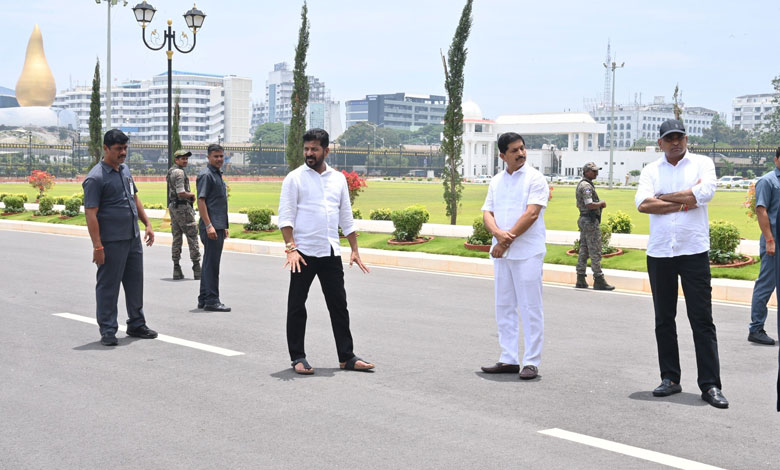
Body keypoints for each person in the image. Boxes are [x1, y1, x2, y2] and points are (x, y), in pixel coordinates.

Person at [635, 119, 728, 408]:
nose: (675, 142)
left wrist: (664, 197)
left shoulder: (702, 164)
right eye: (669, 138)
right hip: (661, 253)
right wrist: (687, 200)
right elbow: (643, 204)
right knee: (664, 319)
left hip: (693, 251)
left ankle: (710, 385)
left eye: (680, 137)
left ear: (686, 139)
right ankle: (670, 379)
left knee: (702, 320)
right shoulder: (651, 169)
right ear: (660, 142)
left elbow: (706, 193)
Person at [278, 128, 374, 375]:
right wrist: (291, 249)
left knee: (339, 306)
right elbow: (286, 218)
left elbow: (346, 217)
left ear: (326, 150)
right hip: (303, 254)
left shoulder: (338, 179)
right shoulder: (294, 178)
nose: (309, 154)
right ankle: (297, 357)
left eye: (314, 149)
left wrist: (354, 249)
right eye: (306, 149)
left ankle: (347, 357)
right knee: (297, 306)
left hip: (330, 251)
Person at [479, 132, 548, 380]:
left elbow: (531, 215)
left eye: (522, 148)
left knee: (530, 307)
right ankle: (508, 358)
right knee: (504, 305)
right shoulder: (496, 181)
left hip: (527, 252)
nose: (520, 153)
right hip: (502, 254)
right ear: (502, 155)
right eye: (514, 150)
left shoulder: (535, 178)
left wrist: (504, 240)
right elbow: (487, 212)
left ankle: (531, 361)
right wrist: (498, 234)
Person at [82, 129, 158, 346]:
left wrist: (147, 223)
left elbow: (134, 197)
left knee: (135, 283)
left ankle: (136, 323)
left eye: (125, 148)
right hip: (111, 241)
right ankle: (107, 329)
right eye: (118, 149)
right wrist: (97, 246)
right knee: (108, 286)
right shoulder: (96, 178)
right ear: (106, 149)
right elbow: (91, 214)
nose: (123, 152)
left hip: (132, 238)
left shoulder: (125, 170)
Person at [747, 147, 780, 345]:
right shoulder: (768, 181)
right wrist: (769, 239)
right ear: (776, 158)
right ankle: (756, 328)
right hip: (774, 241)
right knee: (766, 285)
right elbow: (761, 210)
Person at [196, 144, 230, 312]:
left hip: (218, 225)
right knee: (212, 264)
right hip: (211, 227)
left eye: (221, 156)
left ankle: (204, 298)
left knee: (209, 262)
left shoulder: (217, 175)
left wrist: (223, 225)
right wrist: (209, 225)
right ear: (208, 157)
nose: (219, 159)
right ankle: (212, 300)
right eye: (216, 156)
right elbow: (201, 201)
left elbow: (218, 202)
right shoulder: (206, 175)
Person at [575, 162, 615, 291]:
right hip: (590, 220)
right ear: (586, 172)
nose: (596, 173)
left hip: (584, 219)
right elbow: (589, 204)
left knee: (584, 248)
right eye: (593, 171)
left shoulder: (583, 184)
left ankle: (580, 278)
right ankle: (598, 279)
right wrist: (601, 203)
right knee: (595, 250)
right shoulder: (586, 186)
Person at [167, 149, 201, 281]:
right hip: (183, 207)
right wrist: (191, 195)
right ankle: (197, 267)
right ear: (176, 160)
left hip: (174, 207)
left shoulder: (171, 171)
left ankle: (176, 267)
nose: (185, 160)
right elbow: (181, 192)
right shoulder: (180, 173)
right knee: (192, 236)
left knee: (176, 237)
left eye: (186, 158)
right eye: (182, 158)